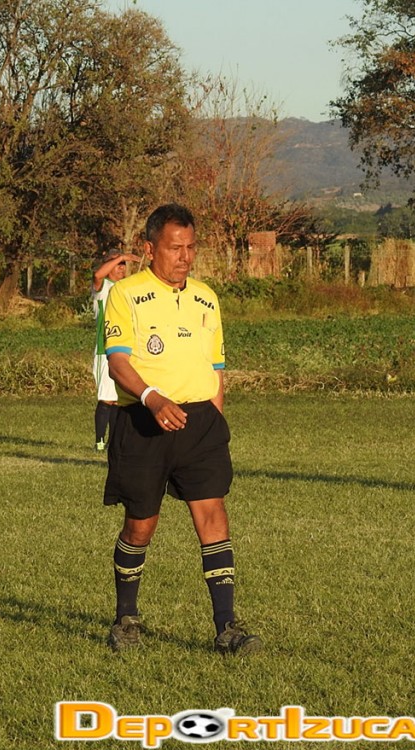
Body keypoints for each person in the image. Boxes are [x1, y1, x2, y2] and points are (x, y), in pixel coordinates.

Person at [101, 203, 262, 654]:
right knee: (140, 526)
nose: (185, 256)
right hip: (144, 423)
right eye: (175, 248)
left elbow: (216, 367)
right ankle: (126, 618)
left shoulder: (207, 298)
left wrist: (216, 418)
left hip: (201, 426)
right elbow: (117, 363)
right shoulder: (125, 294)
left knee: (213, 516)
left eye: (191, 247)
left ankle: (227, 627)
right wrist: (152, 398)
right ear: (150, 248)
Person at [91, 249, 139, 450]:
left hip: (124, 349)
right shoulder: (103, 287)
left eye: (123, 265)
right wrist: (121, 257)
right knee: (107, 398)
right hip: (105, 350)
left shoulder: (125, 288)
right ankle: (99, 441)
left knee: (119, 399)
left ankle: (113, 442)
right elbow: (97, 275)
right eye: (117, 264)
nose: (121, 268)